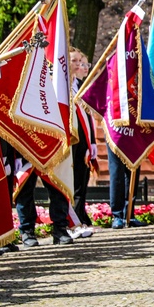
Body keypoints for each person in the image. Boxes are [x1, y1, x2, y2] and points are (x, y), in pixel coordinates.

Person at [69, 50, 95, 238]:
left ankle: (79, 218)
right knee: (70, 183)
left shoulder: (78, 86)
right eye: (75, 61)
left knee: (81, 181)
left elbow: (88, 116)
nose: (80, 65)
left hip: (83, 140)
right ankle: (72, 220)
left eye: (82, 61)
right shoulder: (60, 86)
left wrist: (92, 141)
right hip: (69, 140)